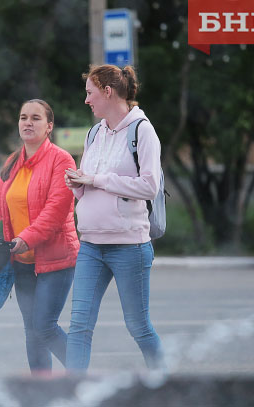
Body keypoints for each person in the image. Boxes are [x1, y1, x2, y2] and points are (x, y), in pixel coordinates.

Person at [0, 99, 80, 374]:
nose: (28, 122)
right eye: (23, 117)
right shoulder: (13, 162)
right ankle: (40, 393)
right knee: (32, 331)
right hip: (21, 261)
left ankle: (83, 378)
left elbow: (55, 213)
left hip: (56, 260)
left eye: (36, 118)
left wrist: (25, 238)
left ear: (49, 126)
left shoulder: (62, 160)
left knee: (45, 327)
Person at [64, 65, 164, 372]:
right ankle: (72, 395)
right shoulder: (95, 133)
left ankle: (165, 384)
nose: (87, 101)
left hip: (129, 246)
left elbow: (149, 186)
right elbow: (89, 181)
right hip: (92, 244)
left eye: (90, 93)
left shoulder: (141, 130)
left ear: (108, 92)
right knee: (79, 326)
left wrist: (97, 179)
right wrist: (78, 184)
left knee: (138, 327)